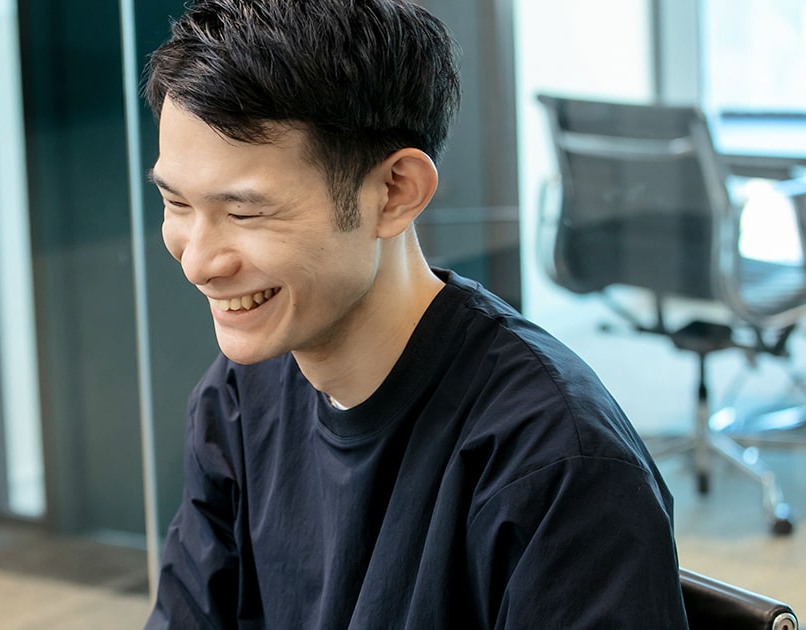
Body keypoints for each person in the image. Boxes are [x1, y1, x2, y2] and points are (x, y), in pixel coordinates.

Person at [141, 1, 690, 628]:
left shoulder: (553, 462)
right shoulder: (240, 399)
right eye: (177, 204)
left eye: (244, 212)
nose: (198, 262)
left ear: (395, 192)